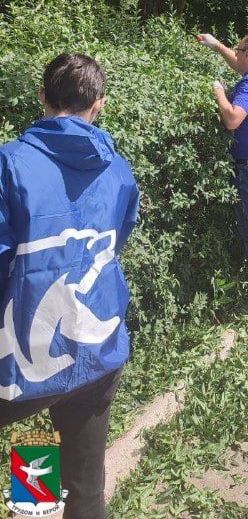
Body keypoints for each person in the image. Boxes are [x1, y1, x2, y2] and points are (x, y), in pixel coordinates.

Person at [0, 53, 139, 519]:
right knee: (86, 489)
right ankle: (37, 500)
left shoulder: (9, 164)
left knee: (35, 450)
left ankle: (33, 504)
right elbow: (119, 236)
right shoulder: (118, 169)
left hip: (21, 358)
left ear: (41, 97)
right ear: (98, 104)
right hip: (96, 348)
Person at [197, 32, 248, 312]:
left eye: (238, 49)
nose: (235, 53)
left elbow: (233, 119)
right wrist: (216, 44)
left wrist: (220, 93)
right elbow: (238, 64)